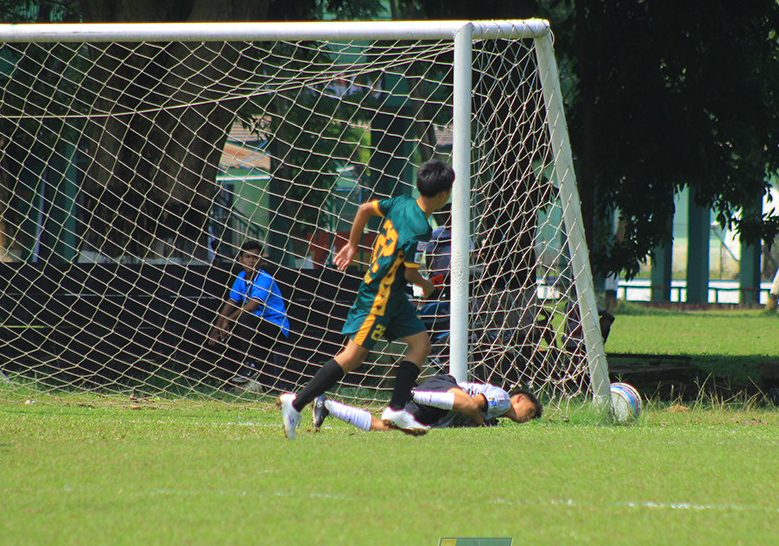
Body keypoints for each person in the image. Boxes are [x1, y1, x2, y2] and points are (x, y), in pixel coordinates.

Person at [279, 159, 455, 439]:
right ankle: (296, 403)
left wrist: (352, 244)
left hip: (394, 297)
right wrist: (428, 287)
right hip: (379, 298)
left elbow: (363, 209)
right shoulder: (422, 228)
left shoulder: (401, 202)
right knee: (353, 357)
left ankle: (397, 408)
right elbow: (411, 275)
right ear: (444, 195)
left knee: (421, 344)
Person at [309, 375, 542, 435]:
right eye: (529, 412)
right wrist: (482, 423)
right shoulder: (501, 400)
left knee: (385, 429)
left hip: (437, 412)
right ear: (519, 399)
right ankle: (412, 393)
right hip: (445, 388)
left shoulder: (496, 417)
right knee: (466, 403)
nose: (526, 418)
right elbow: (471, 405)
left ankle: (327, 406)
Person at [208, 240, 290, 387]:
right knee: (223, 334)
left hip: (275, 328)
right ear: (240, 259)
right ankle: (224, 378)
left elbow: (252, 305)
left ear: (261, 260)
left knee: (244, 316)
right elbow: (229, 304)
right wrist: (216, 329)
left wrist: (229, 320)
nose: (251, 261)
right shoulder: (241, 277)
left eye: (255, 257)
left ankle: (250, 366)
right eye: (247, 257)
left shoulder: (265, 278)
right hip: (253, 328)